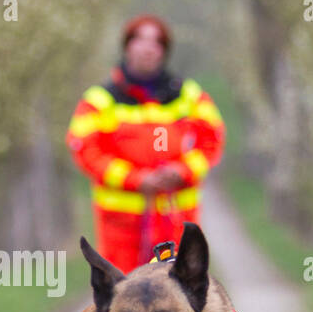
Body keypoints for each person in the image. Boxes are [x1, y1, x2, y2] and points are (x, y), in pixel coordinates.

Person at [66, 14, 225, 272]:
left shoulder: (190, 96)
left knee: (179, 302)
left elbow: (212, 141)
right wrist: (135, 179)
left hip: (177, 224)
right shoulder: (99, 101)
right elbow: (86, 151)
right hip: (121, 228)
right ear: (127, 46)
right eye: (140, 40)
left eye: (156, 42)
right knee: (122, 302)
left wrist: (182, 172)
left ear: (164, 50)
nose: (148, 48)